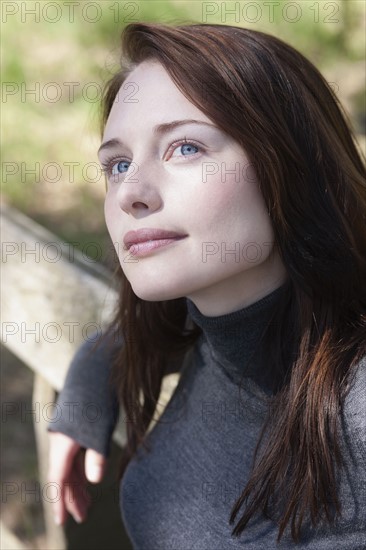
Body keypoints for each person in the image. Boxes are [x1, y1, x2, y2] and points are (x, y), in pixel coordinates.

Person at [47, 22, 366, 548]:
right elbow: (145, 334)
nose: (131, 192)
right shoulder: (206, 322)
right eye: (118, 164)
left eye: (185, 148)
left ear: (287, 165)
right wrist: (91, 377)